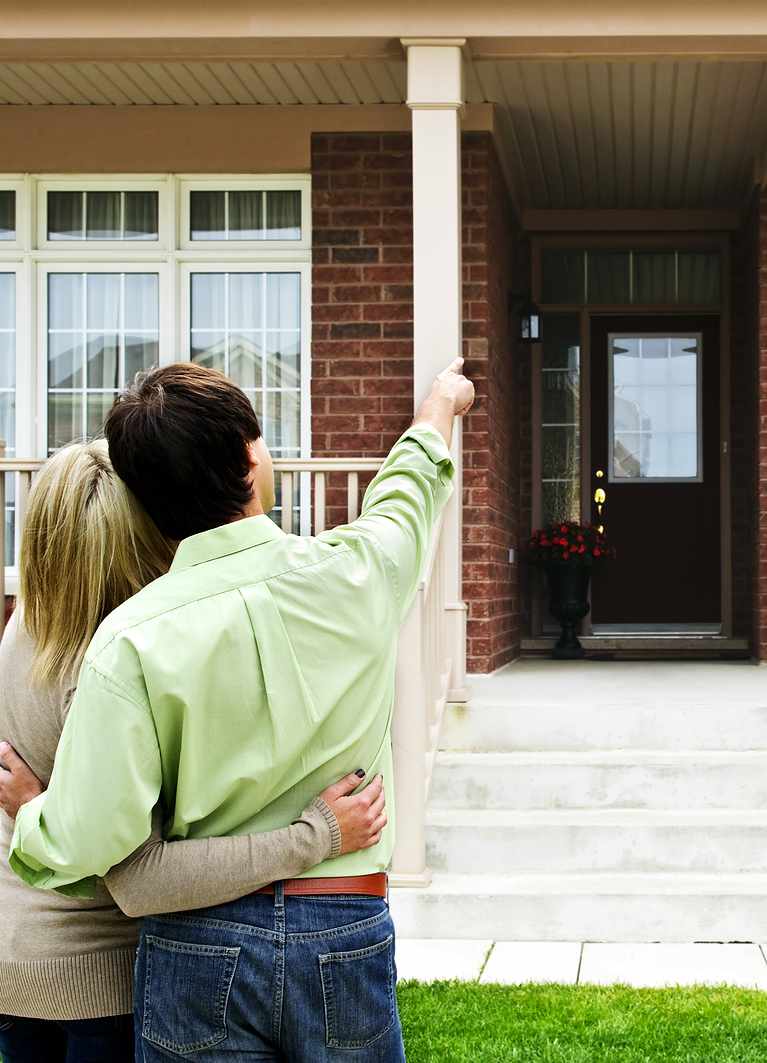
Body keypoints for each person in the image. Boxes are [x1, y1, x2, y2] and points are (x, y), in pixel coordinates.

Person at [9, 356, 474, 1061]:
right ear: (249, 456)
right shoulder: (357, 570)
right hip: (341, 920)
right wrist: (441, 403)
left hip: (194, 940)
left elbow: (85, 842)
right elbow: (407, 491)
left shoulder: (129, 639)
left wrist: (36, 814)